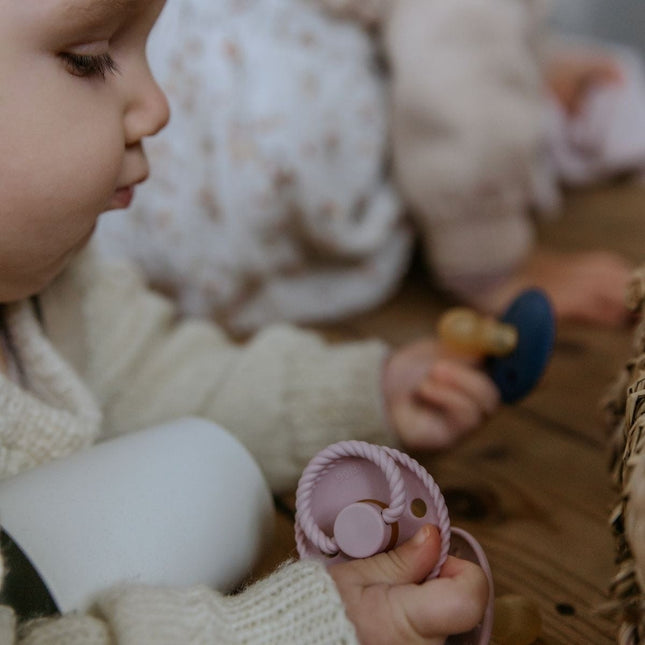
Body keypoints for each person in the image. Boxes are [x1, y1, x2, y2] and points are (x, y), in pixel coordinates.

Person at [0, 0, 499, 641]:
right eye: (90, 59)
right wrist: (291, 629)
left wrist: (363, 394)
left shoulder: (59, 288)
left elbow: (165, 379)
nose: (157, 104)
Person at [94, 0, 636, 334]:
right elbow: (458, 64)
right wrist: (495, 260)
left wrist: (536, 58)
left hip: (122, 107)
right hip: (238, 155)